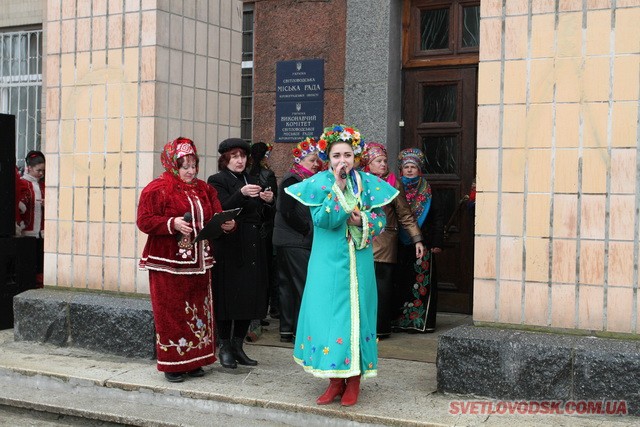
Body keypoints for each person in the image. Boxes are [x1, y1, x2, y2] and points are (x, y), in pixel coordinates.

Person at [286, 124, 398, 407]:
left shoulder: (368, 184)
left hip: (359, 265)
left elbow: (382, 221)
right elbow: (322, 221)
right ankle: (334, 381)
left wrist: (364, 221)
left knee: (357, 318)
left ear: (356, 157)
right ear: (328, 158)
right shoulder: (321, 184)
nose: (342, 161)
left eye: (347, 155)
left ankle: (355, 380)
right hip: (326, 264)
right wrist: (338, 188)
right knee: (328, 318)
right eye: (336, 156)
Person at [137, 137, 235, 383]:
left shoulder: (205, 189)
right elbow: (144, 221)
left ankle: (195, 360)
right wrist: (172, 223)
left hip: (199, 261)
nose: (191, 171)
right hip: (168, 262)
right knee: (171, 311)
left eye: (194, 165)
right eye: (185, 166)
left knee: (198, 311)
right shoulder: (156, 189)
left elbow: (215, 215)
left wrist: (227, 224)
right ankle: (173, 363)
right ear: (173, 165)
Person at [207, 138, 274, 369]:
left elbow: (261, 215)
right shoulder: (217, 180)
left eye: (243, 156)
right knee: (229, 296)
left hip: (253, 244)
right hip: (229, 244)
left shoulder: (252, 179)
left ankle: (238, 345)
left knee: (249, 295)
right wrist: (242, 194)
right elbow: (221, 208)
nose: (239, 160)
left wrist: (268, 201)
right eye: (234, 156)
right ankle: (224, 346)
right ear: (225, 159)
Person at [360, 142, 425, 339]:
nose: (383, 164)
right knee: (363, 287)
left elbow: (405, 214)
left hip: (385, 240)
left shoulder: (393, 182)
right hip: (362, 239)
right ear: (368, 164)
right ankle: (363, 329)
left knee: (383, 286)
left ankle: (381, 328)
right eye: (378, 161)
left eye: (385, 161)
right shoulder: (359, 181)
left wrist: (417, 240)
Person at [272, 137, 320, 343]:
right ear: (300, 160)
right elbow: (287, 211)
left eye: (317, 160)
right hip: (294, 240)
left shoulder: (301, 179)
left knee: (288, 285)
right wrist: (307, 229)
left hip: (289, 240)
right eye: (311, 160)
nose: (316, 164)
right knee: (301, 285)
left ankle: (288, 330)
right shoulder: (294, 180)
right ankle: (302, 331)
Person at [393, 148, 444, 333]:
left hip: (424, 242)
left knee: (420, 282)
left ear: (419, 168)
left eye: (413, 166)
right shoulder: (395, 188)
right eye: (406, 166)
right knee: (400, 281)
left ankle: (419, 322)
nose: (409, 170)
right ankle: (398, 320)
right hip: (398, 242)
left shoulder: (428, 190)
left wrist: (437, 242)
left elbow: (438, 217)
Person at [247, 142, 279, 321]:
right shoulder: (268, 174)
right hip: (265, 228)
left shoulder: (247, 174)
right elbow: (274, 204)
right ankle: (266, 310)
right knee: (266, 270)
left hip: (251, 227)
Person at [19, 151, 46, 287]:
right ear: (29, 168)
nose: (41, 173)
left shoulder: (43, 185)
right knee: (28, 262)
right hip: (26, 231)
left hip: (41, 232)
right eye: (38, 170)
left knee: (40, 261)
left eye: (43, 171)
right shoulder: (22, 183)